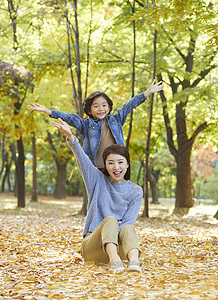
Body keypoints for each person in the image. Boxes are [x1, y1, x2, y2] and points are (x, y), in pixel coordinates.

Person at [52, 118, 143, 273]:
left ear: (127, 164)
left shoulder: (135, 191)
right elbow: (83, 160)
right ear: (105, 166)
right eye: (110, 163)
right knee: (110, 220)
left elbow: (128, 222)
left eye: (120, 162)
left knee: (127, 227)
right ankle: (114, 262)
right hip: (92, 247)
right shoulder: (97, 180)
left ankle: (134, 262)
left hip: (119, 248)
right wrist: (71, 137)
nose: (116, 167)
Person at [29, 80, 164, 168]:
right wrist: (49, 111)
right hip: (95, 167)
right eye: (96, 106)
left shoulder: (116, 120)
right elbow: (70, 118)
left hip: (116, 168)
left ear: (109, 107)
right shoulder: (86, 124)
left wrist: (147, 93)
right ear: (89, 110)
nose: (101, 109)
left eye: (104, 105)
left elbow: (128, 106)